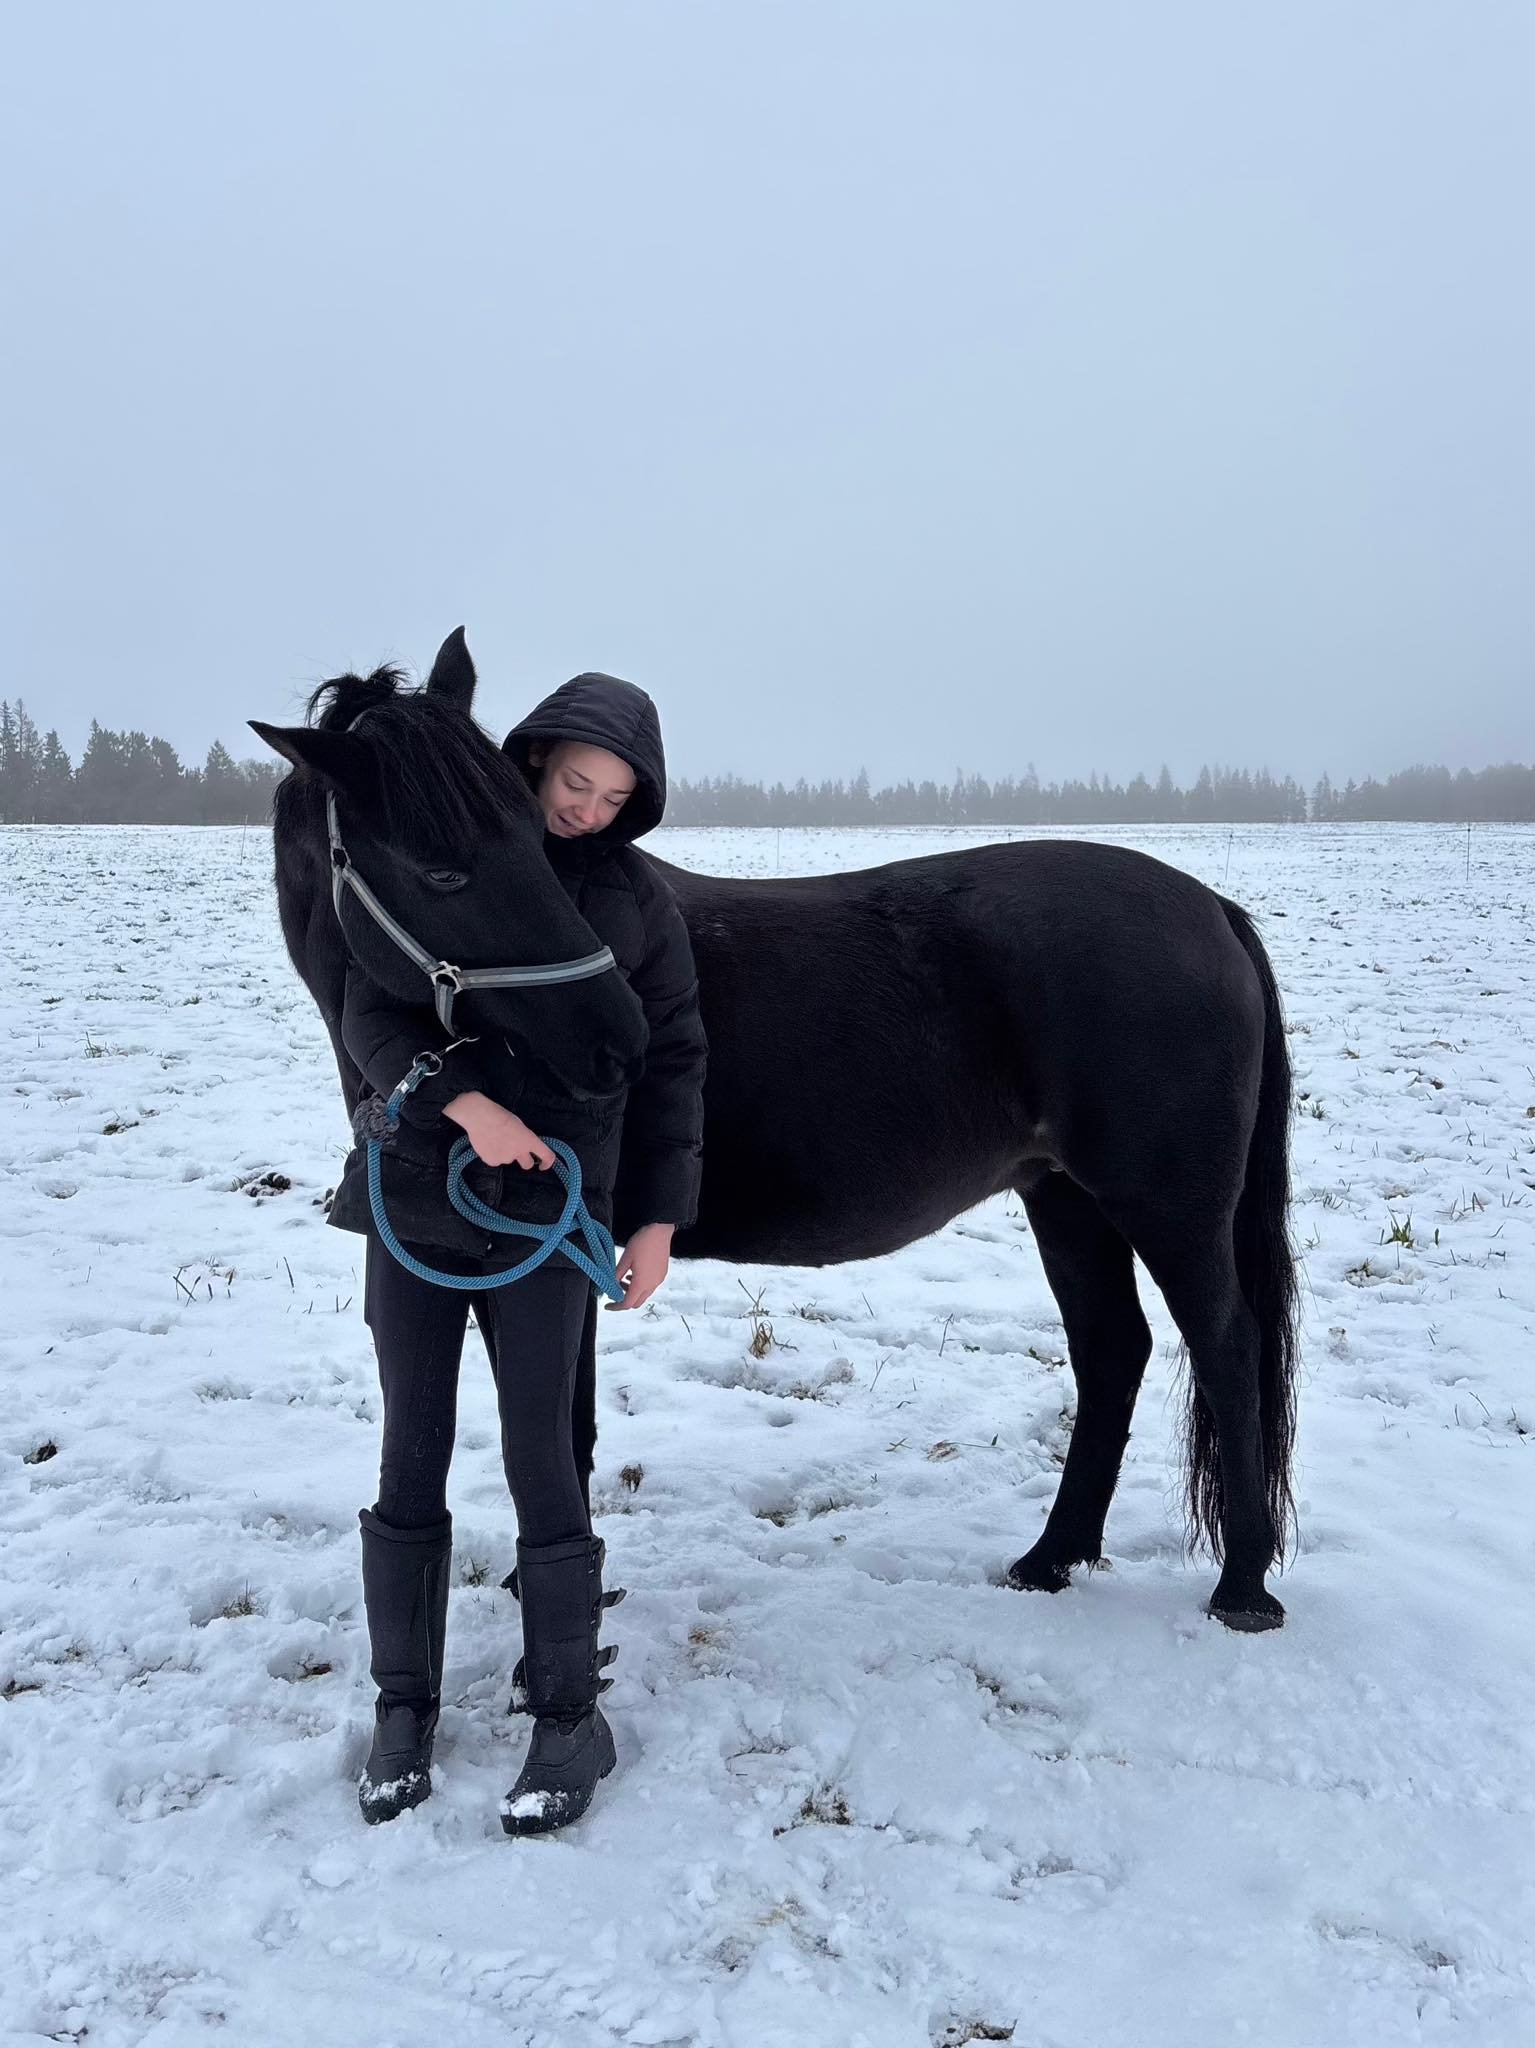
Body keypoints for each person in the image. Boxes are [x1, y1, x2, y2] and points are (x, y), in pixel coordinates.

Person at [324, 672, 706, 1834]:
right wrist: (461, 1101)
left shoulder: (634, 903)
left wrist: (654, 1218)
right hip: (415, 1204)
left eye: (613, 795)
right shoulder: (450, 854)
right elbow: (369, 1009)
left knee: (546, 1453)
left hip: (551, 1219)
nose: (587, 807)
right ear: (535, 763)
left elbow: (675, 1056)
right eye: (575, 781)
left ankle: (565, 1713)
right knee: (412, 1444)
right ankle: (405, 1705)